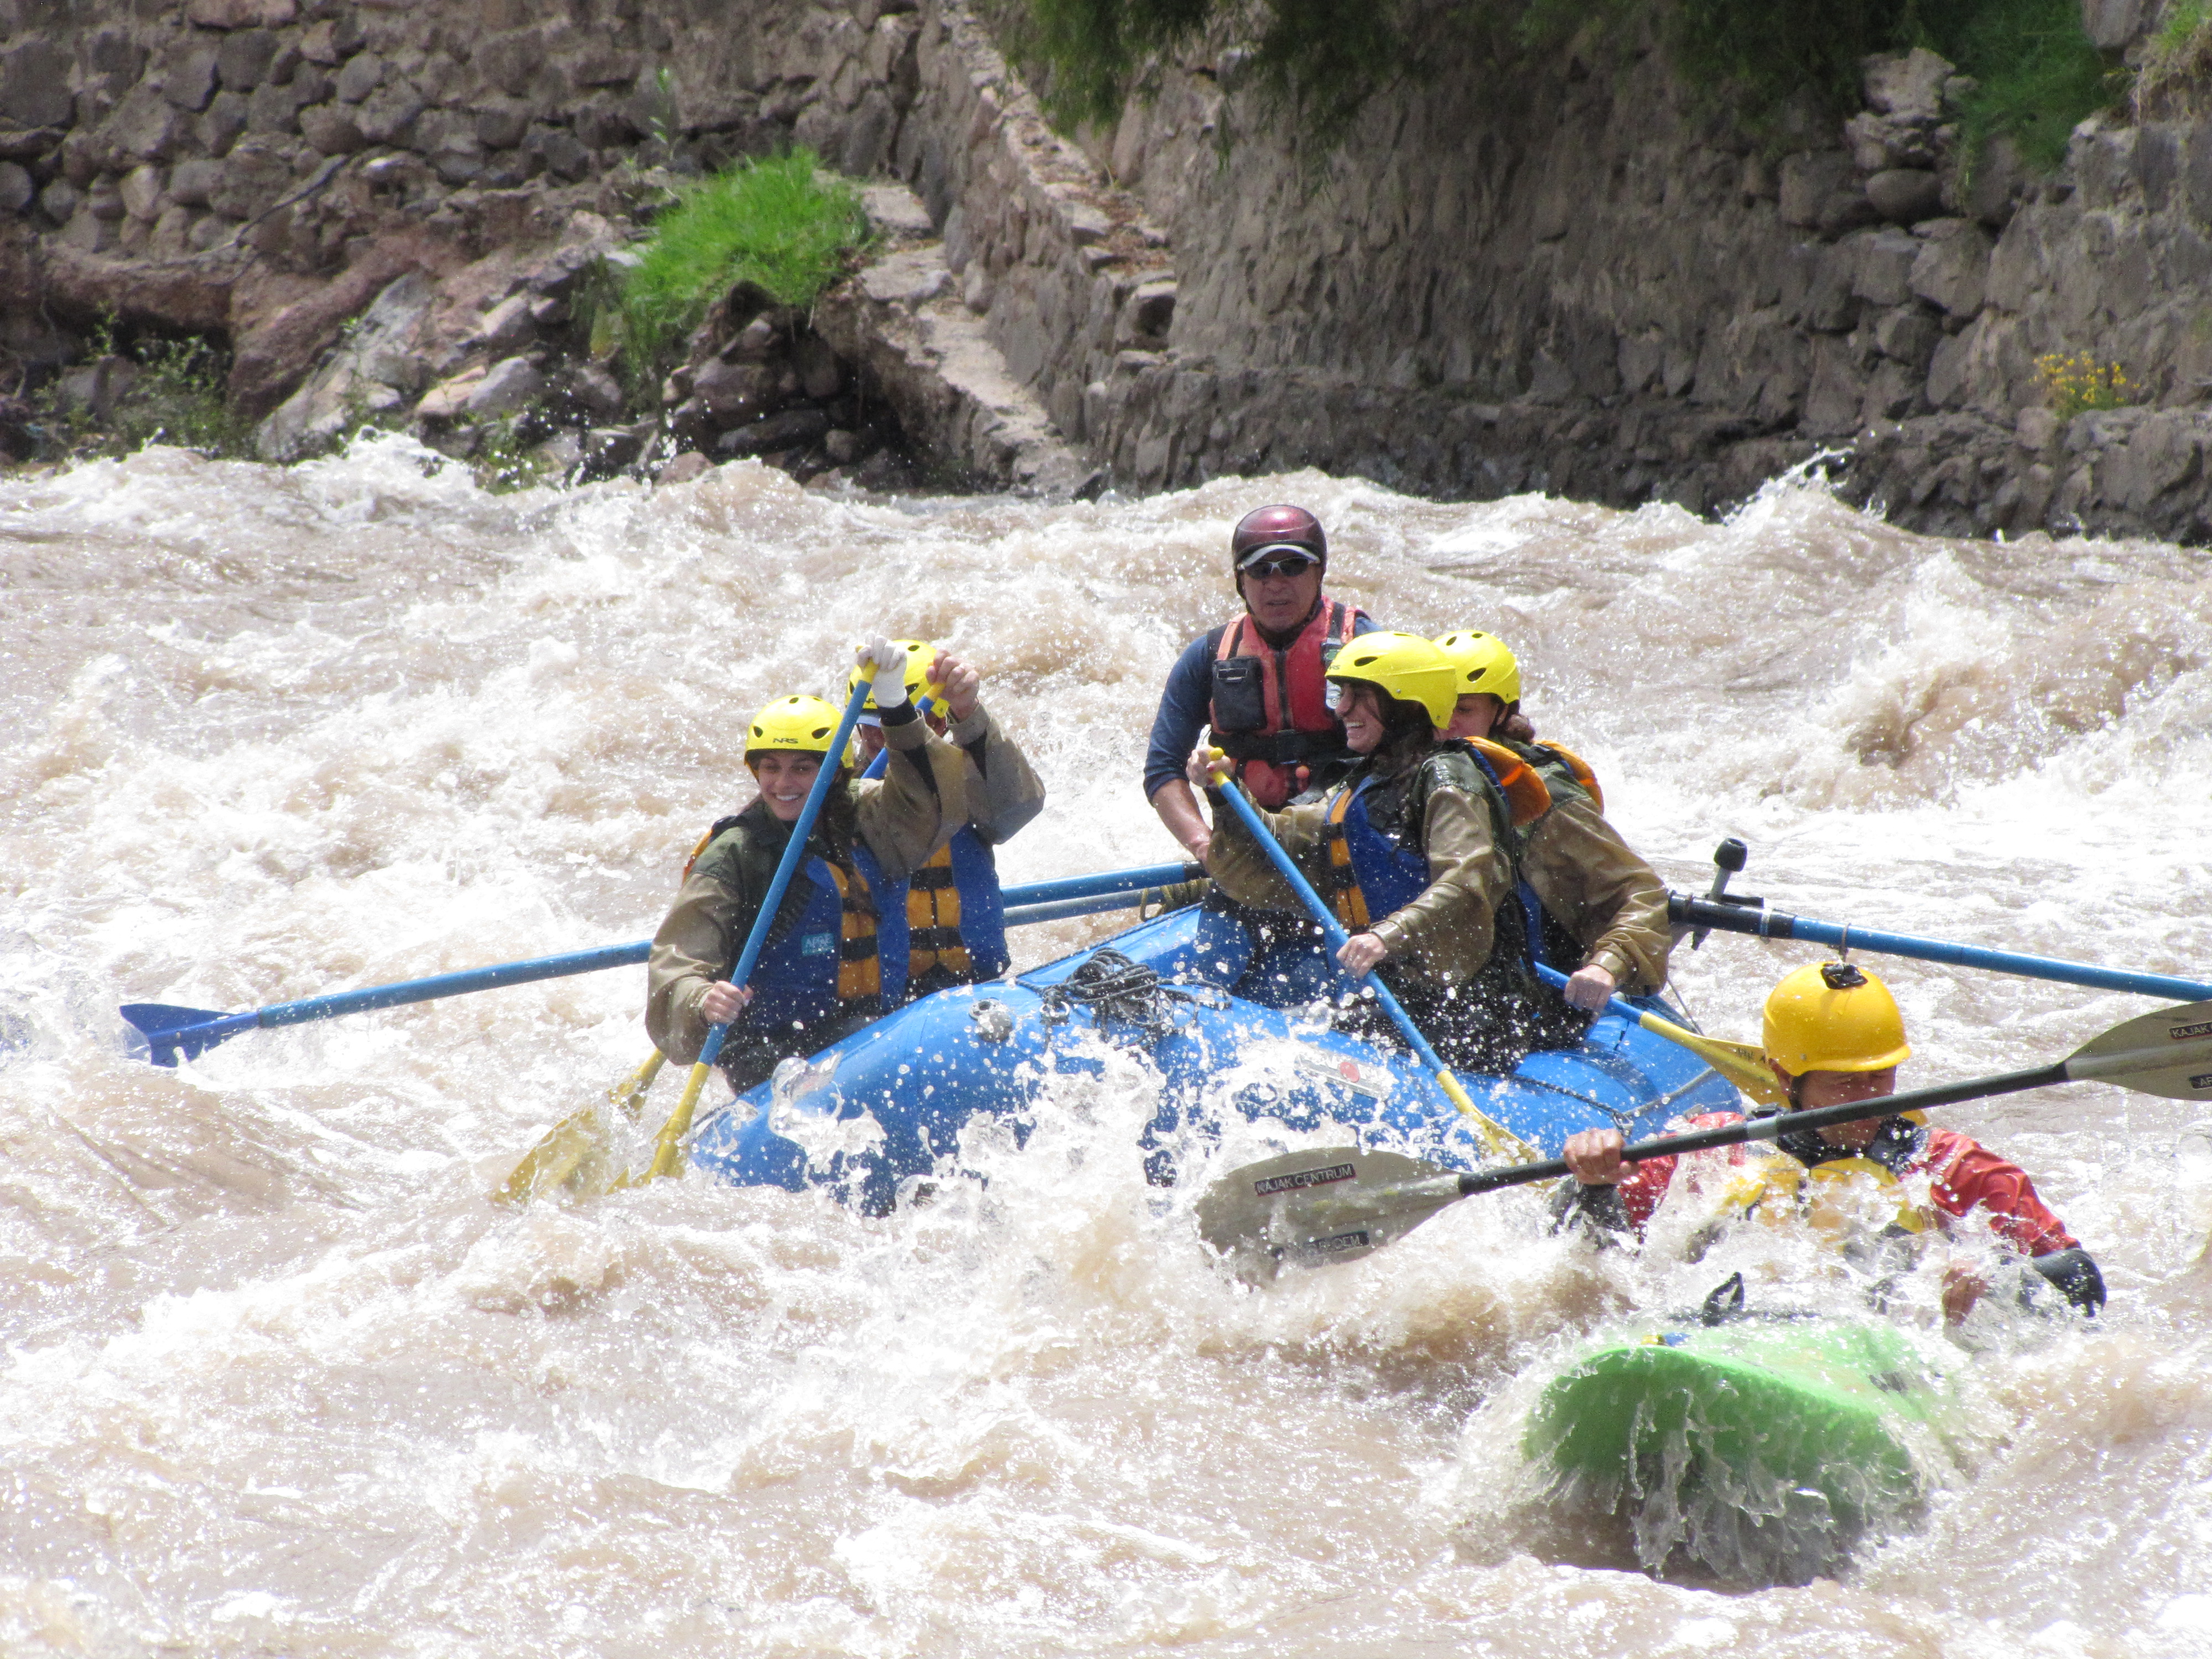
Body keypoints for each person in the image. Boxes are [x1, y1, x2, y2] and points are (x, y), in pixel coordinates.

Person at [1558, 961, 2106, 1320]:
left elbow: (2082, 1280)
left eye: (1880, 1076)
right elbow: (1588, 1255)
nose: (1869, 1095)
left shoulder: (1948, 1167)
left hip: (1866, 1363)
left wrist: (2001, 1280)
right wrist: (1593, 1183)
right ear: (1784, 1075)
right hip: (1717, 1330)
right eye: (1846, 1080)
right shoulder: (1710, 1148)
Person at [1188, 631, 1590, 1074]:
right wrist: (1226, 791)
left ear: (1404, 704)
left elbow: (1465, 879)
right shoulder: (1364, 782)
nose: (1341, 710)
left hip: (1472, 1012)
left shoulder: (1450, 780)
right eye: (1342, 695)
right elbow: (1280, 841)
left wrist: (1386, 936)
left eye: (1360, 697)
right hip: (1399, 995)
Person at [645, 641, 969, 1092]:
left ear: (836, 772)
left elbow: (931, 804)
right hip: (773, 1053)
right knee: (866, 1041)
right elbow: (677, 962)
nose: (783, 783)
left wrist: (896, 706)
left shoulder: (866, 818)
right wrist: (702, 999)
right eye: (770, 768)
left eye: (802, 769)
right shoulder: (737, 854)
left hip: (872, 1030)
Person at [1433, 629, 1672, 1016]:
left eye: (1465, 710)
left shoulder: (1543, 797)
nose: (1447, 725)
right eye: (1439, 708)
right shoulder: (1418, 776)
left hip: (1537, 999)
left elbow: (1640, 894)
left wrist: (1605, 966)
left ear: (1501, 714)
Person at [1145, 505, 1376, 862]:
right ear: (1241, 581)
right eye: (1260, 570)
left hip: (1349, 835)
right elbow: (1163, 768)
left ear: (1319, 573)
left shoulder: (1365, 644)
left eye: (1293, 566)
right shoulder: (1207, 656)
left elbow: (1415, 747)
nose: (1276, 584)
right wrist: (1204, 848)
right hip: (1251, 846)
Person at [846, 638, 1046, 995]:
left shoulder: (969, 776)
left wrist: (969, 713)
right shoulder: (842, 797)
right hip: (889, 991)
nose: (881, 738)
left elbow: (1017, 810)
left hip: (975, 980)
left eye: (892, 723)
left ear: (939, 722)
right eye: (868, 725)